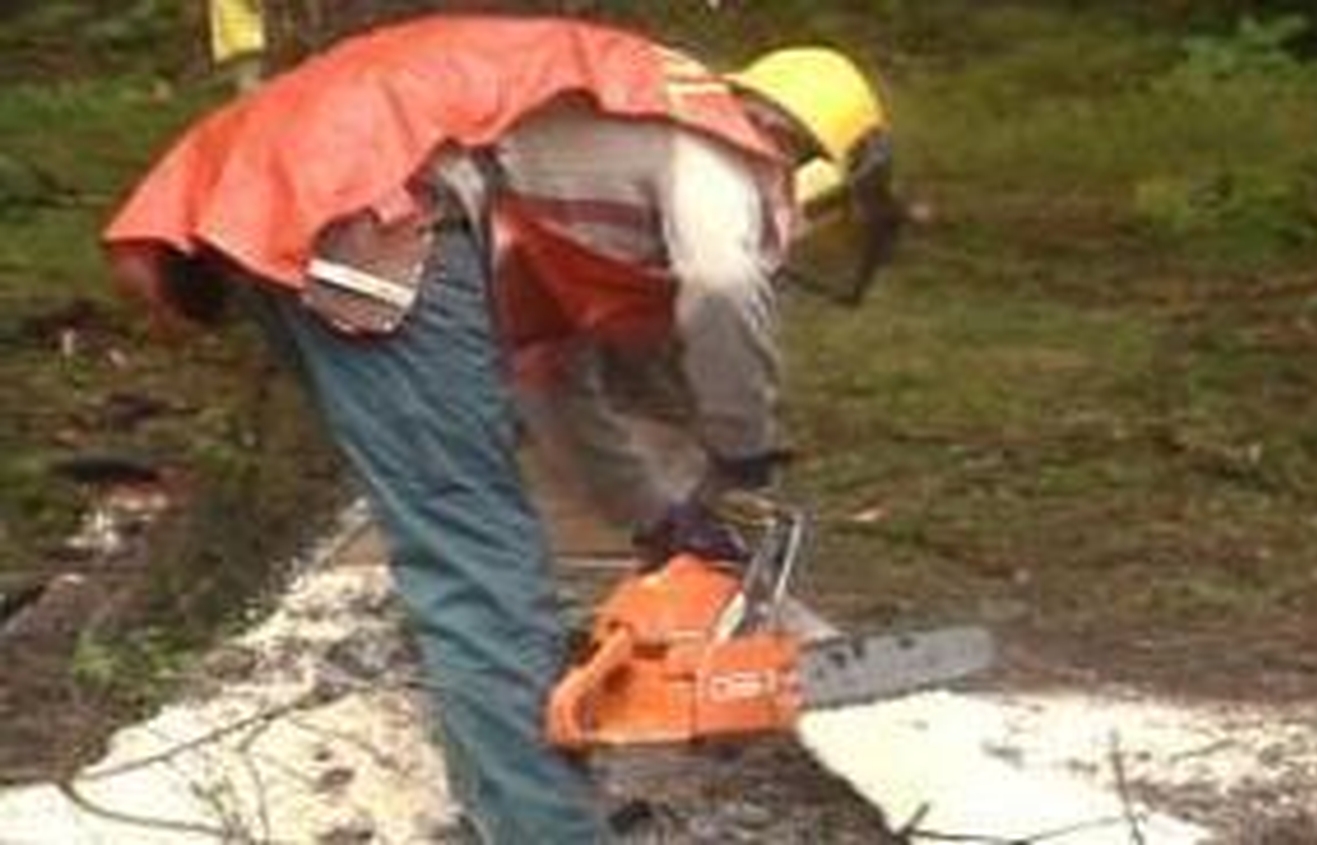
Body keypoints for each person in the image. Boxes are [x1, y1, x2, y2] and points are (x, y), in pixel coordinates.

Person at [102, 14, 898, 843]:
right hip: (378, 198)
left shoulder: (584, 157)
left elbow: (549, 379)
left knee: (458, 530)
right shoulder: (724, 149)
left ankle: (515, 805)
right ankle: (546, 828)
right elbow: (726, 280)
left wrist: (661, 517)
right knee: (475, 545)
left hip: (306, 183)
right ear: (810, 163)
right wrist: (744, 452)